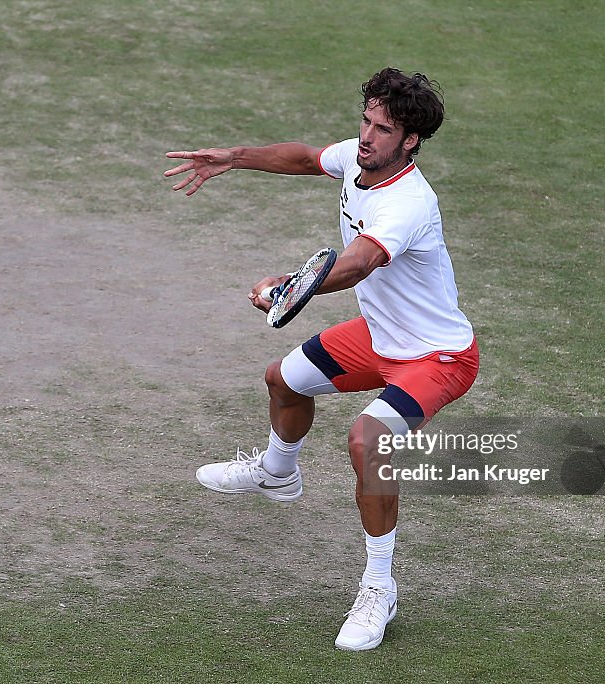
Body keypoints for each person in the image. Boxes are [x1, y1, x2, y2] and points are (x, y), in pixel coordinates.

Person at [164, 67, 478, 651]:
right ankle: (278, 473)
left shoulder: (407, 202)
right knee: (282, 379)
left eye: (383, 129)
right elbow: (307, 158)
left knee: (368, 441)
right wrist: (234, 157)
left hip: (438, 357)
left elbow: (357, 264)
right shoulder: (359, 161)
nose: (367, 136)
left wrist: (288, 287)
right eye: (366, 120)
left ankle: (379, 586)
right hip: (379, 335)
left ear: (410, 141)